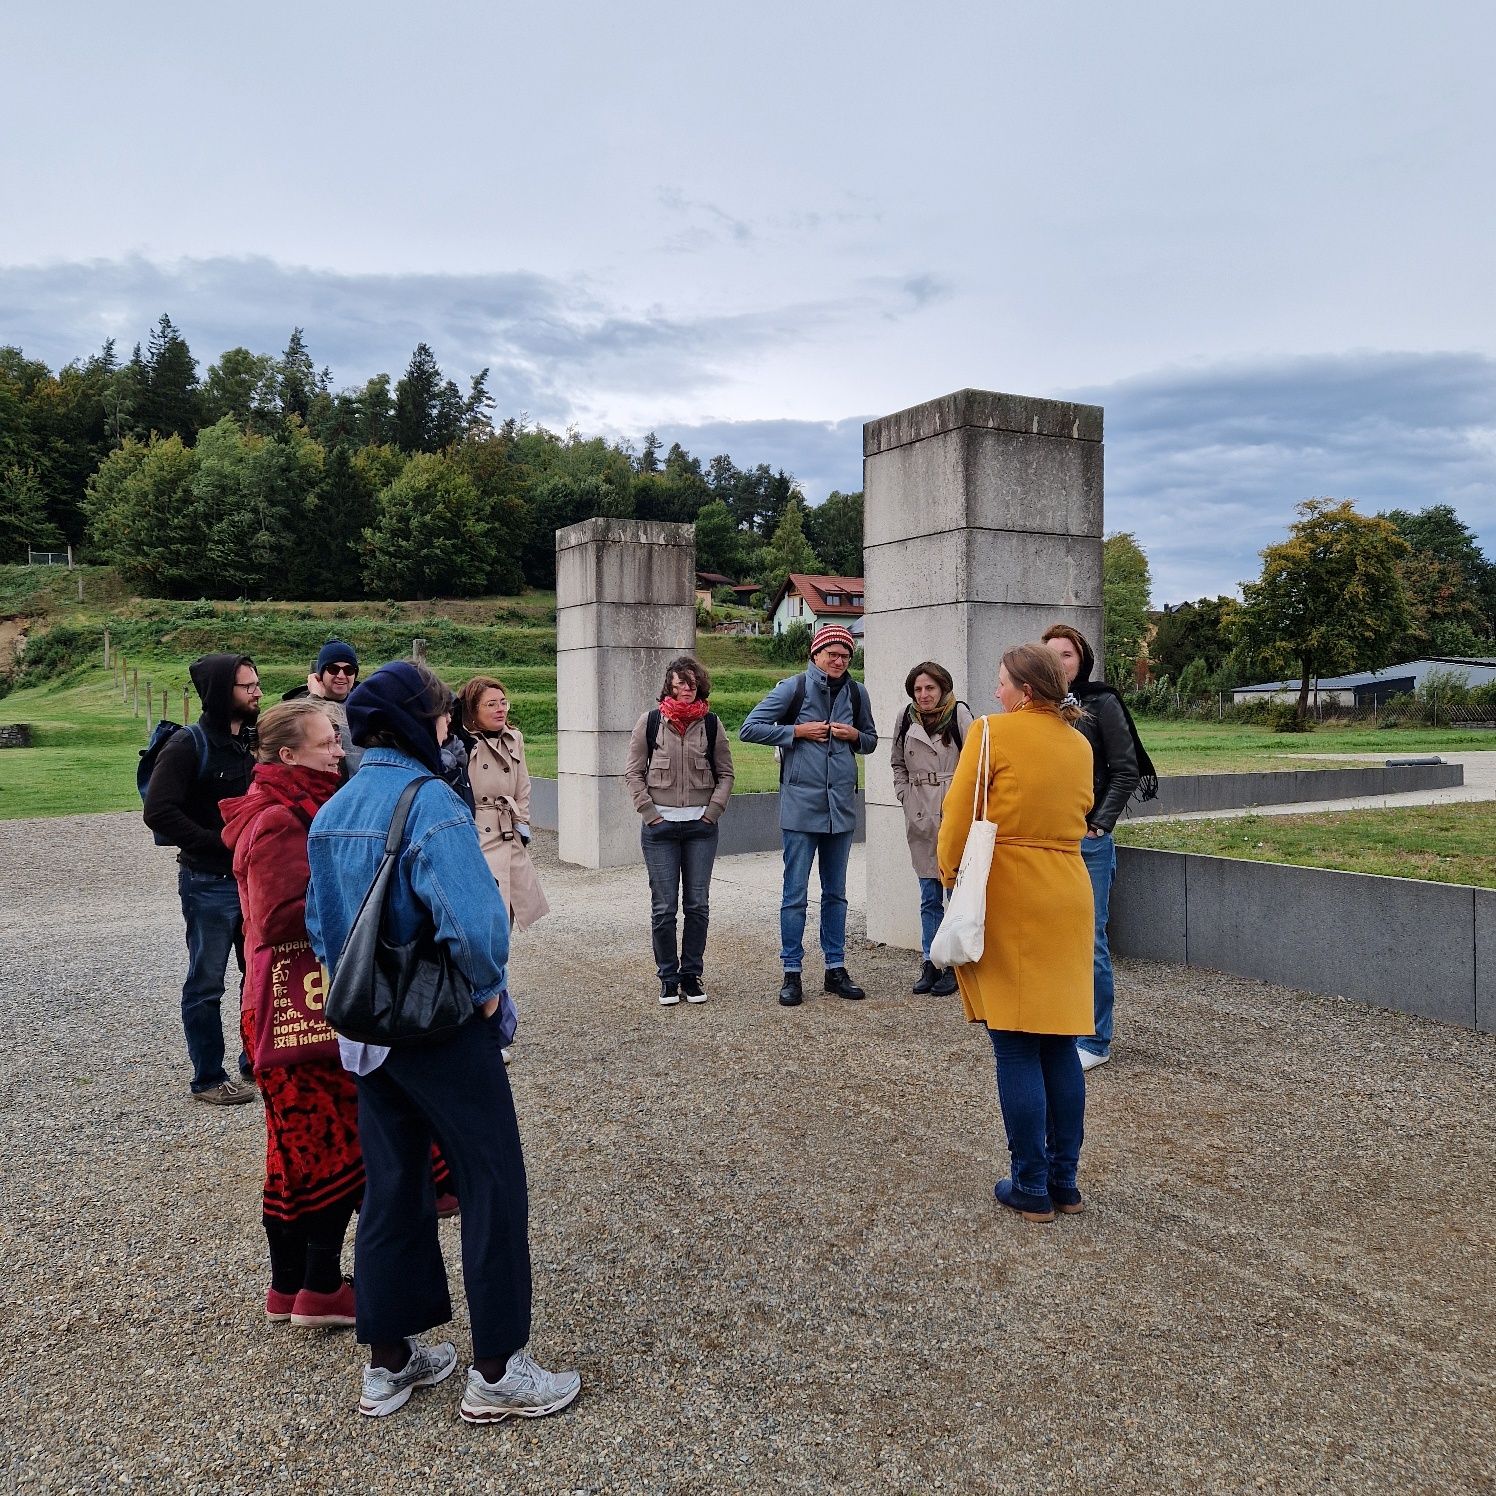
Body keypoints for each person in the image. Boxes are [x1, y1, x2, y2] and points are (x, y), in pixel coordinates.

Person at [306, 660, 579, 1424]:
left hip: (368, 1029)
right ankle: (497, 1369)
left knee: (391, 1188)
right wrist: (490, 992)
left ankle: (388, 1363)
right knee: (492, 1181)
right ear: (414, 724)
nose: (448, 729)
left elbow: (324, 928)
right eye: (439, 718)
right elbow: (478, 926)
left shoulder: (333, 809)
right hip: (439, 1023)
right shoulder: (431, 804)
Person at [937, 644, 1095, 1222]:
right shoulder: (1078, 743)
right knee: (1059, 1041)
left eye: (1003, 682)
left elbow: (957, 815)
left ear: (1025, 691)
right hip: (1068, 887)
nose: (997, 691)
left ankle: (1030, 1183)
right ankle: (1064, 1182)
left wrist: (950, 877)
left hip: (1009, 888)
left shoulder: (990, 732)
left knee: (1014, 1041)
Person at [220, 699, 362, 1329]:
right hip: (295, 1007)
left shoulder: (287, 806)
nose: (338, 750)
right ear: (287, 755)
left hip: (279, 1009)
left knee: (291, 1149)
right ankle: (322, 1287)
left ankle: (289, 1288)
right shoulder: (281, 818)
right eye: (327, 742)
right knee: (331, 1144)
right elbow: (282, 916)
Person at [143, 652, 262, 1105]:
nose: (256, 692)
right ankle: (209, 1077)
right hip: (208, 882)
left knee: (260, 975)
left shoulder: (253, 740)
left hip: (253, 881)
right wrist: (219, 841)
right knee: (207, 980)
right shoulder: (187, 745)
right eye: (246, 686)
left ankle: (258, 1062)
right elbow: (158, 811)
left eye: (255, 684)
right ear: (218, 693)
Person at [740, 623, 877, 1007]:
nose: (838, 660)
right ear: (816, 654)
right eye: (831, 653)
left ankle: (835, 968)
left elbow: (871, 740)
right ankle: (792, 972)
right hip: (800, 808)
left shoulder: (856, 691)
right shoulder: (793, 687)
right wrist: (797, 731)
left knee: (837, 894)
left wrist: (854, 737)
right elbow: (749, 729)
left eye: (845, 655)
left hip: (841, 810)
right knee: (794, 894)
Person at [1041, 623, 1158, 1072]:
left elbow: (1125, 770)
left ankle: (1094, 1040)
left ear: (1082, 660)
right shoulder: (1039, 707)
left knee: (1088, 940)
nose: (1058, 663)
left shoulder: (1101, 702)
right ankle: (1058, 1029)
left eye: (1066, 655)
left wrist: (1099, 825)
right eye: (1049, 655)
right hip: (1045, 842)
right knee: (1050, 939)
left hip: (1085, 843)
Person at [623, 654, 734, 1004]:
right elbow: (633, 773)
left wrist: (712, 812)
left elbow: (726, 773)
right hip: (660, 830)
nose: (685, 689)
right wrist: (649, 813)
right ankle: (668, 977)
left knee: (698, 905)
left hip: (701, 828)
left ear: (700, 686)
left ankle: (691, 976)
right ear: (669, 686)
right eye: (679, 683)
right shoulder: (651, 722)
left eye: (691, 683)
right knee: (664, 908)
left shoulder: (712, 723)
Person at [891, 661, 972, 997]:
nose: (923, 695)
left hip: (955, 816)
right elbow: (897, 762)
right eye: (918, 689)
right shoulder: (905, 718)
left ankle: (953, 965)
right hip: (921, 816)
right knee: (928, 896)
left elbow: (978, 761)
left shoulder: (960, 715)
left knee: (955, 896)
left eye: (930, 688)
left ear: (943, 689)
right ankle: (931, 961)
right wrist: (905, 796)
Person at [456, 676, 549, 934]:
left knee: (506, 911)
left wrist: (521, 824)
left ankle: (500, 969)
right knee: (480, 915)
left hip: (508, 831)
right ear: (472, 710)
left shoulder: (513, 738)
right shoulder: (462, 743)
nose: (500, 709)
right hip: (477, 832)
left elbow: (523, 786)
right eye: (491, 704)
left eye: (503, 703)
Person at [282, 640, 362, 774]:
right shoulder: (296, 705)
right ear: (320, 674)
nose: (341, 676)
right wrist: (315, 699)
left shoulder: (367, 705)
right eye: (333, 669)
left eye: (348, 670)